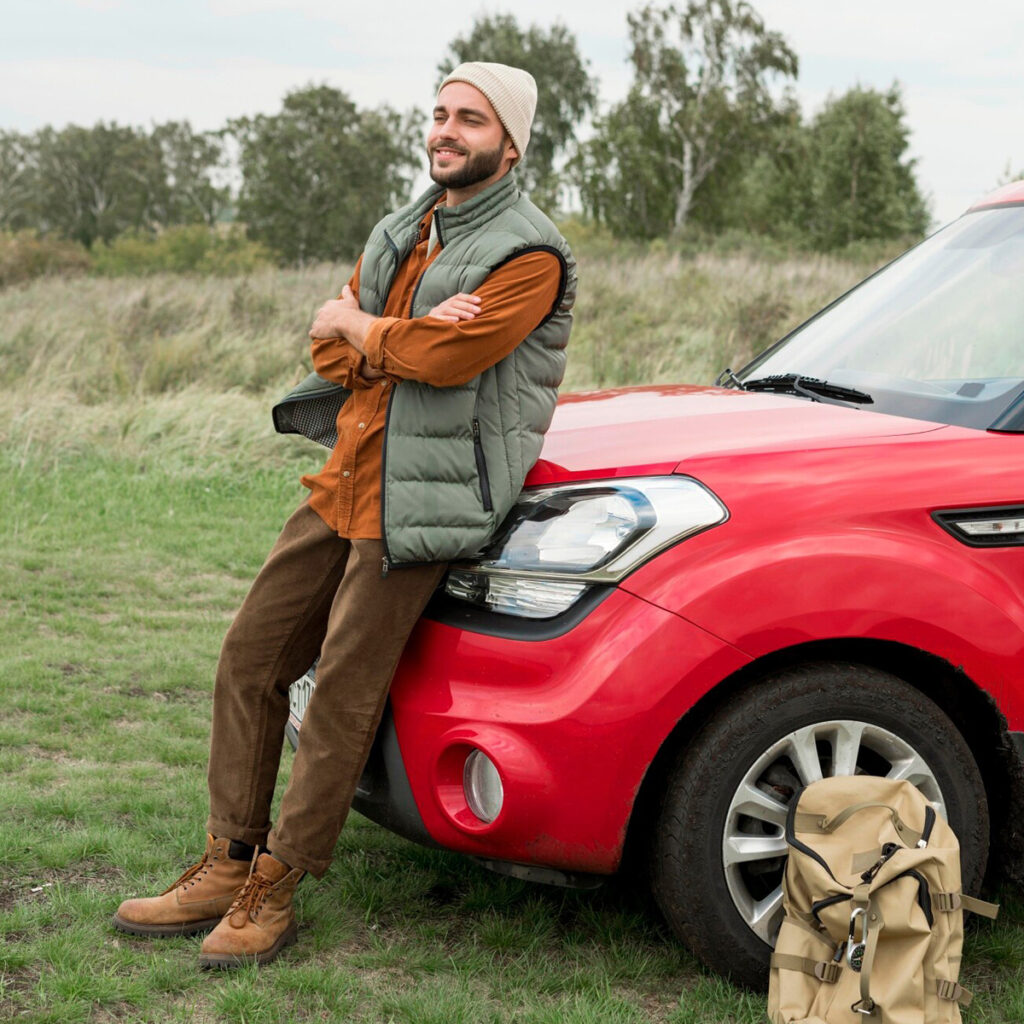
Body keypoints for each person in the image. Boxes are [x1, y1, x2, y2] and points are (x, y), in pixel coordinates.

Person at [112, 61, 576, 969]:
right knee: (251, 657)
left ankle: (274, 889)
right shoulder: (403, 228)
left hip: (426, 501)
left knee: (340, 699)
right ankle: (224, 859)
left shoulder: (532, 255)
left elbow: (443, 360)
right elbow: (329, 353)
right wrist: (383, 336)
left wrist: (372, 328)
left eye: (470, 120)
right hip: (349, 474)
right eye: (440, 114)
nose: (446, 131)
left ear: (509, 144)